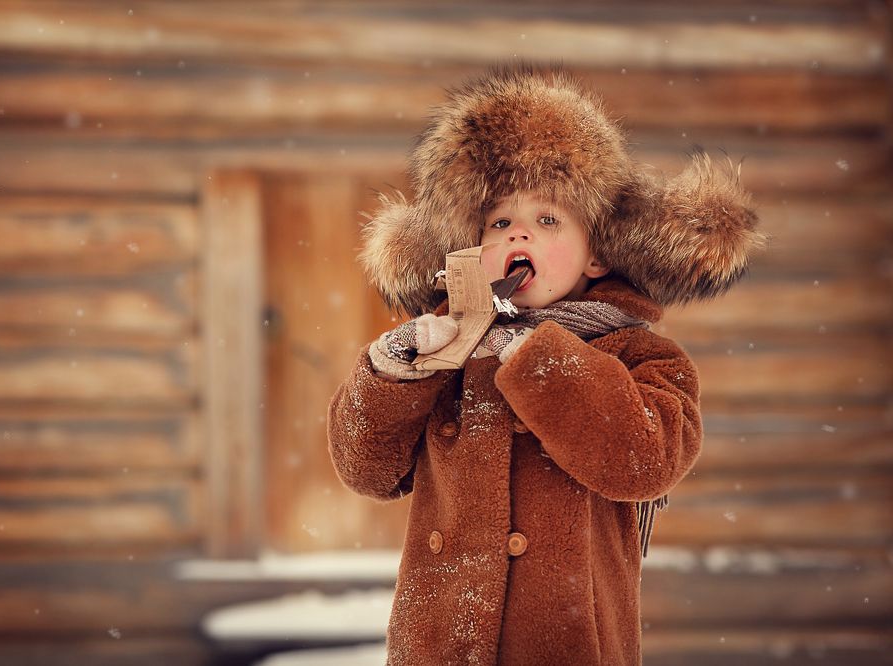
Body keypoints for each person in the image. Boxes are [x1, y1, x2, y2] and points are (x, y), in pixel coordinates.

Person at [326, 63, 766, 666]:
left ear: (595, 256)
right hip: (436, 647)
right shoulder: (447, 352)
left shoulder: (637, 354)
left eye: (548, 220)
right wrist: (394, 372)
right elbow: (367, 470)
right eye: (500, 221)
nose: (519, 236)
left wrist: (532, 357)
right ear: (472, 246)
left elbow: (644, 459)